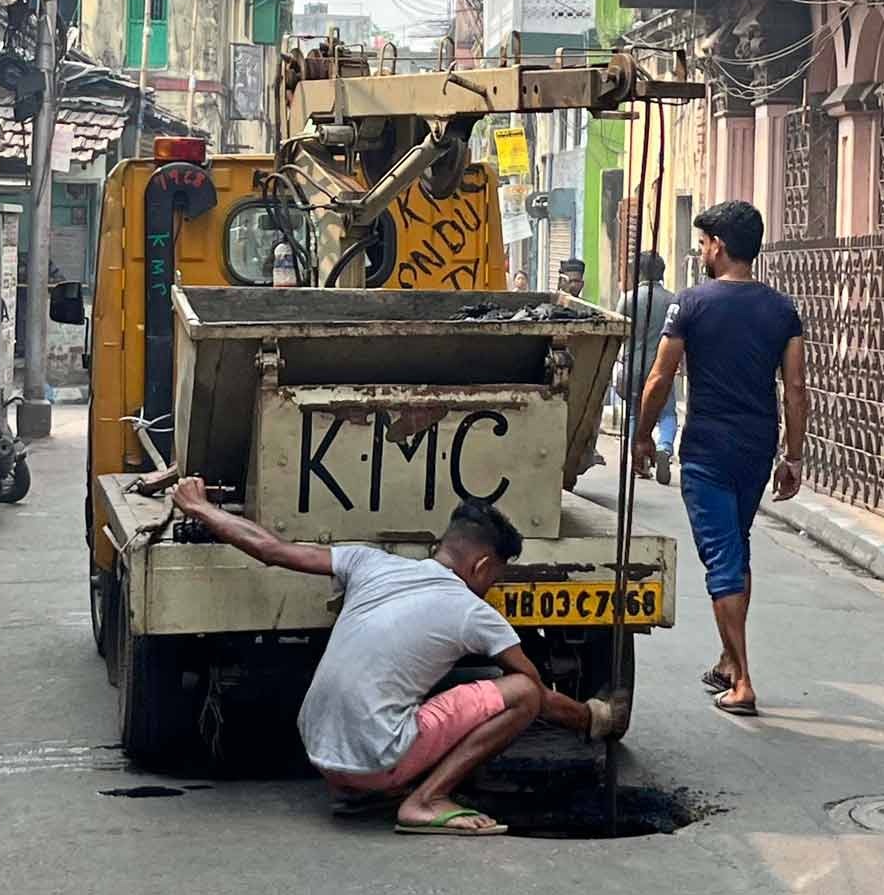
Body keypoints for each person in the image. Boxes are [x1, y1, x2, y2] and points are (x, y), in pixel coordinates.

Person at [173, 480, 628, 836]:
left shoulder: (368, 562)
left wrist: (199, 507)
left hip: (318, 749)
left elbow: (270, 549)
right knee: (521, 693)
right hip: (374, 761)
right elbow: (538, 698)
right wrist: (593, 718)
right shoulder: (474, 611)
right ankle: (426, 800)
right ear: (482, 567)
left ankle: (364, 789)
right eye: (496, 577)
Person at [633, 201, 807, 718]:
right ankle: (728, 662)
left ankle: (744, 681)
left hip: (708, 447)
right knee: (737, 546)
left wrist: (643, 436)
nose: (702, 251)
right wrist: (793, 455)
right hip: (757, 446)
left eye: (705, 242)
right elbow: (794, 388)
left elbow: (661, 377)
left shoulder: (691, 304)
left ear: (721, 247)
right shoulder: (782, 309)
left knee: (722, 557)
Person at [616, 251, 678, 485]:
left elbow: (619, 333)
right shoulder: (673, 300)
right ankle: (664, 447)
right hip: (663, 366)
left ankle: (639, 462)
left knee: (634, 413)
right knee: (667, 412)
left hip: (634, 363)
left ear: (638, 272)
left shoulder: (628, 299)